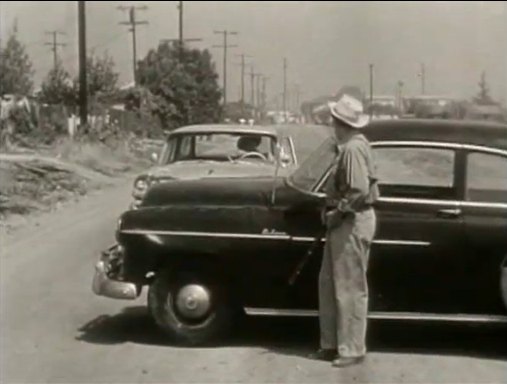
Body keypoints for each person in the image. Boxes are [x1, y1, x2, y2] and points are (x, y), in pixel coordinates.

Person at [309, 94, 379, 368]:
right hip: (345, 221)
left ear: (341, 122)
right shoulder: (353, 146)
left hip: (351, 221)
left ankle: (351, 348)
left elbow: (360, 190)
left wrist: (337, 212)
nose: (332, 125)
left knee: (349, 287)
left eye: (334, 120)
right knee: (329, 284)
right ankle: (331, 344)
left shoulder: (351, 149)